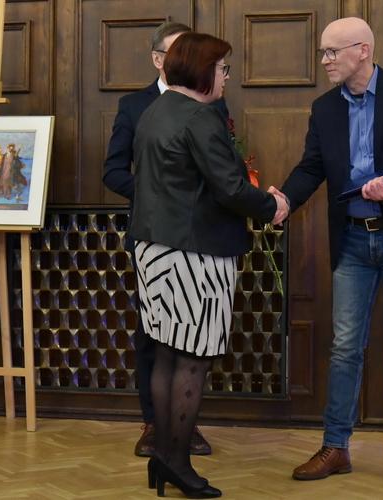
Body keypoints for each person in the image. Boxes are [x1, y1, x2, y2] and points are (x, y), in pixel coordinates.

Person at [270, 17, 383, 488]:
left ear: (363, 50)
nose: (324, 61)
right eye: (323, 52)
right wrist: (285, 200)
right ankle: (336, 447)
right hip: (351, 240)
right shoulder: (324, 108)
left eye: (332, 52)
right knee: (345, 347)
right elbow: (311, 167)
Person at [132, 32, 288, 498]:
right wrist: (273, 207)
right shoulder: (201, 117)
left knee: (166, 355)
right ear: (202, 69)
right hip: (195, 256)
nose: (226, 77)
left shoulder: (155, 111)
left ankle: (163, 458)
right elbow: (230, 188)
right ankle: (178, 463)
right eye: (222, 68)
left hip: (154, 251)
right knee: (193, 361)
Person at [103, 21, 228, 458]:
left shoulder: (213, 100)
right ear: (159, 59)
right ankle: (154, 425)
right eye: (178, 51)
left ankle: (183, 428)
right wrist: (160, 195)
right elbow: (113, 171)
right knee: (154, 337)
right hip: (154, 238)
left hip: (200, 241)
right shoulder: (135, 105)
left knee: (191, 343)